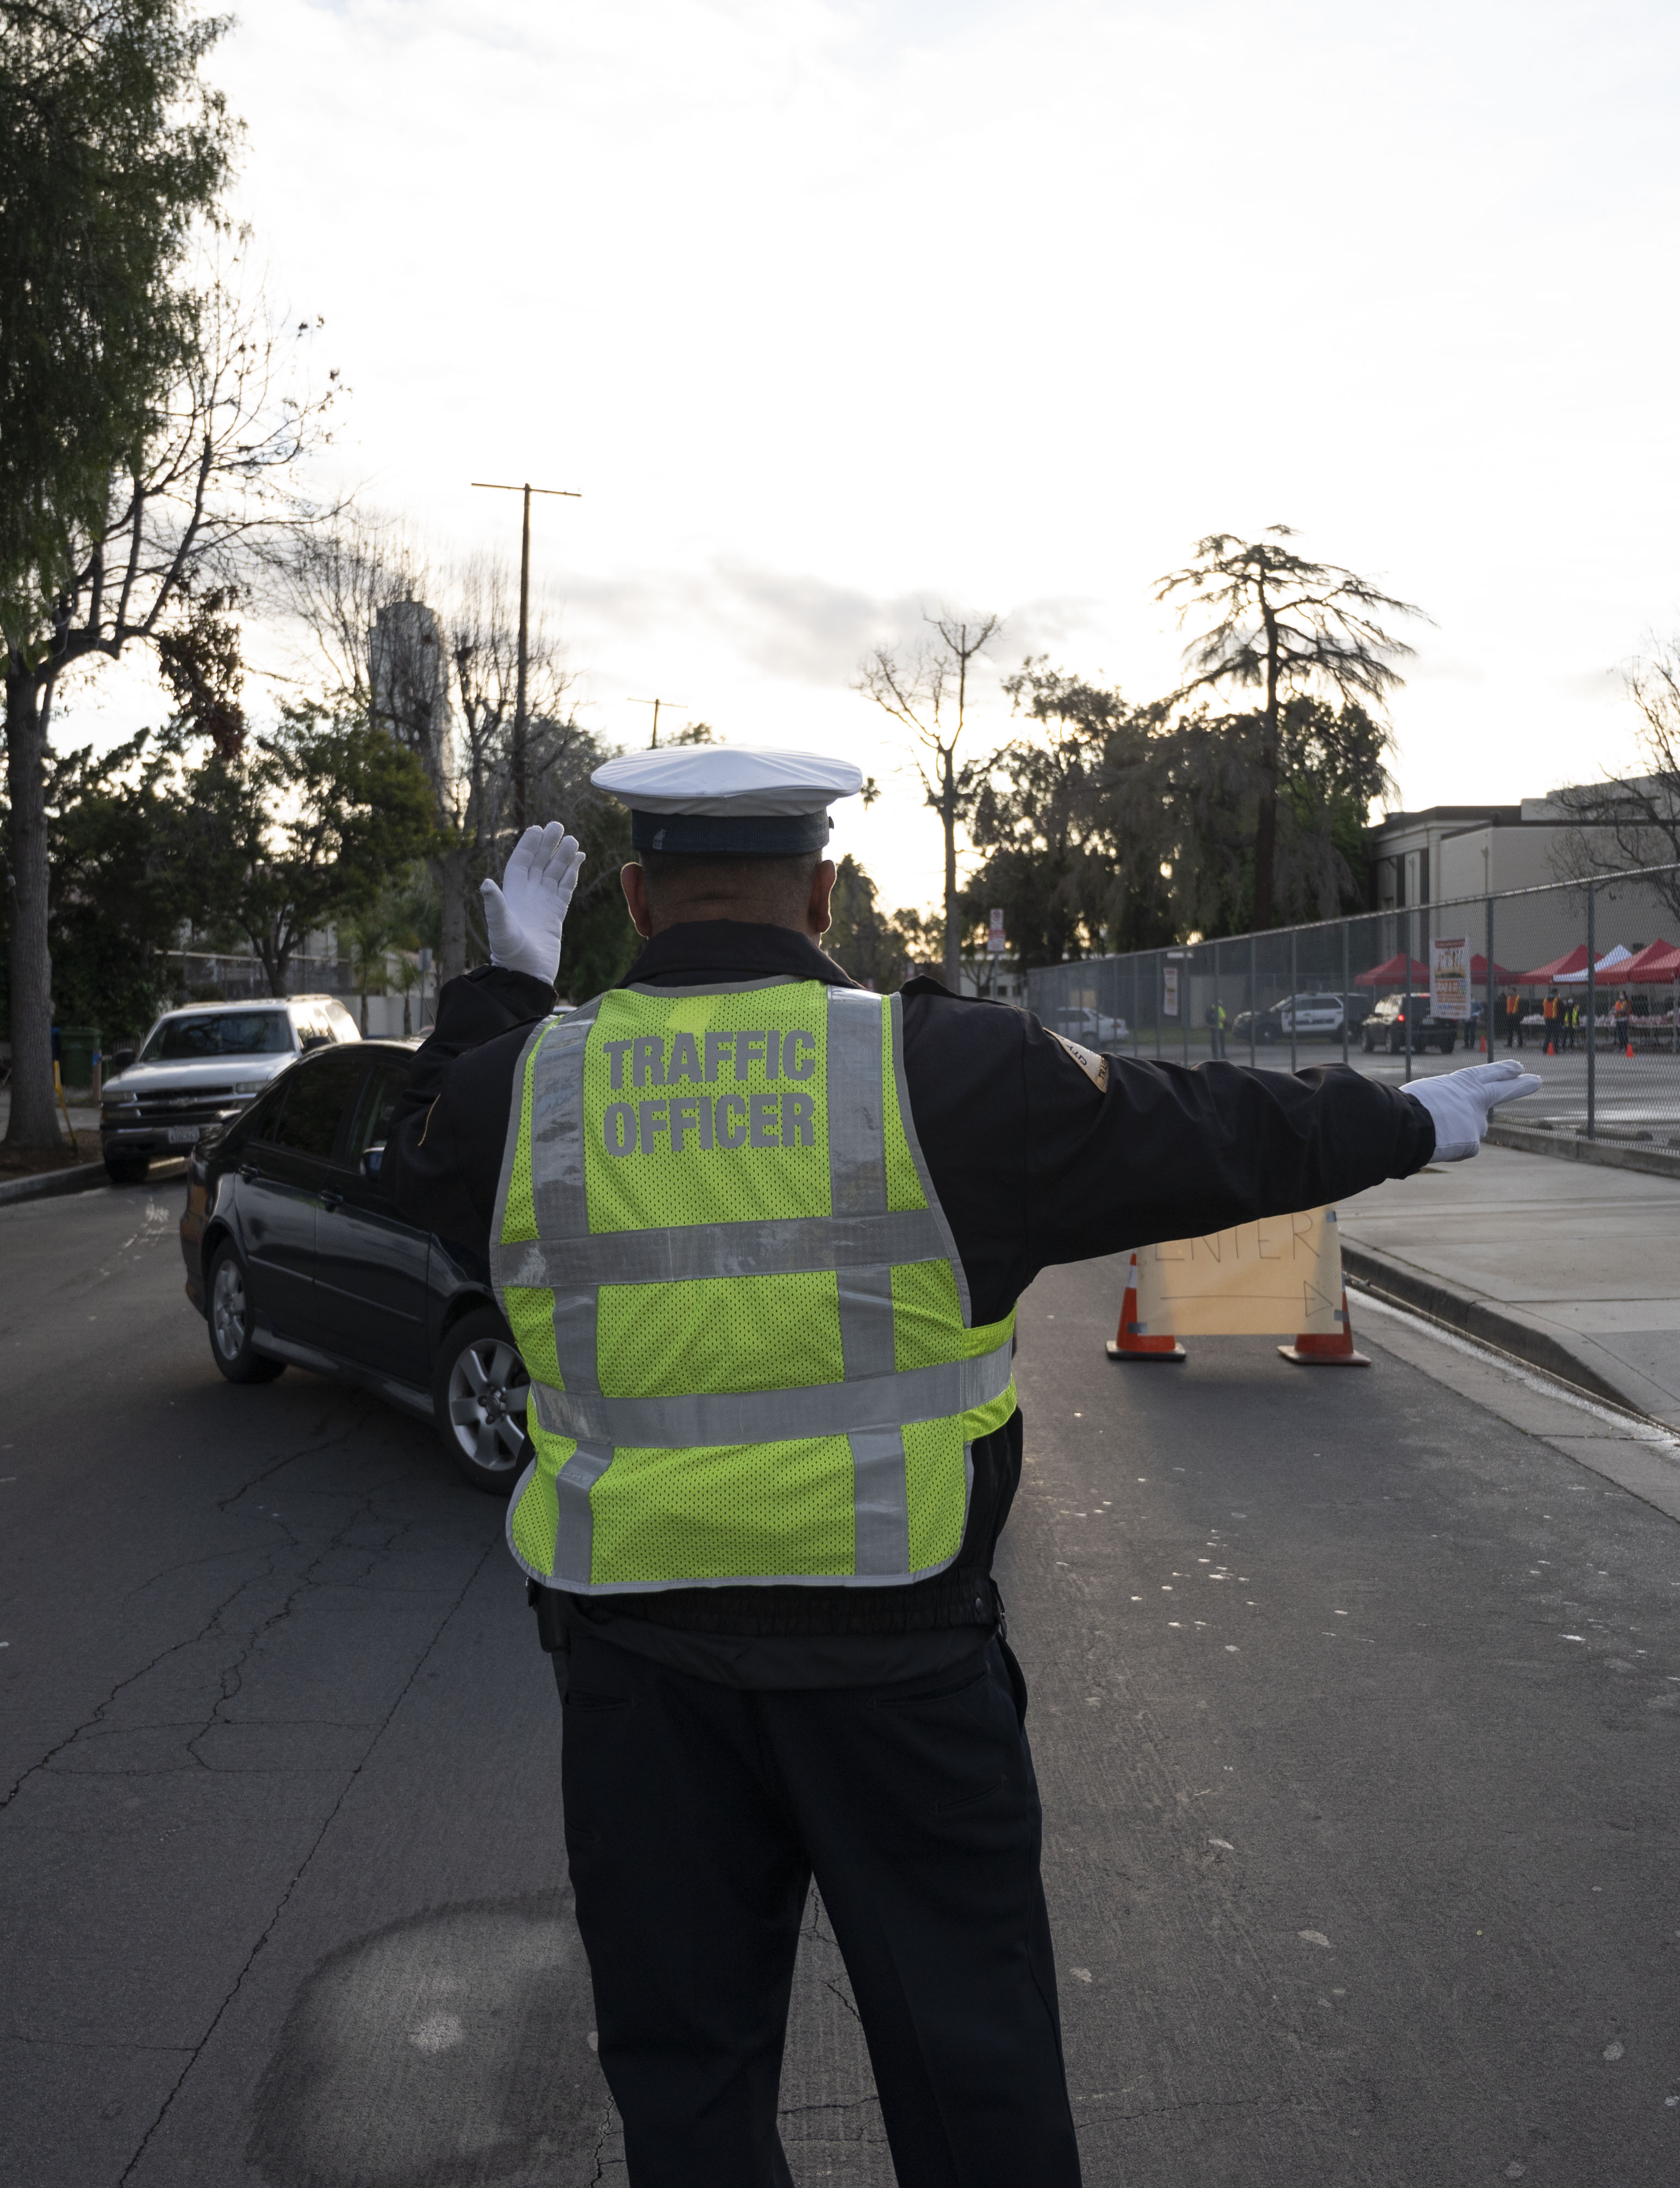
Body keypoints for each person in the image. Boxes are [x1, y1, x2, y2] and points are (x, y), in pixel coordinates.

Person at [378, 748, 1540, 2186]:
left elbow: (406, 1147)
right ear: (820, 889)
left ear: (629, 897)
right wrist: (1405, 1120)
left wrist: (507, 987)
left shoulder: (526, 1087)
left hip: (641, 1673)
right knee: (970, 2069)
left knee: (689, 2088)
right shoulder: (932, 1066)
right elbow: (1202, 1131)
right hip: (896, 1662)